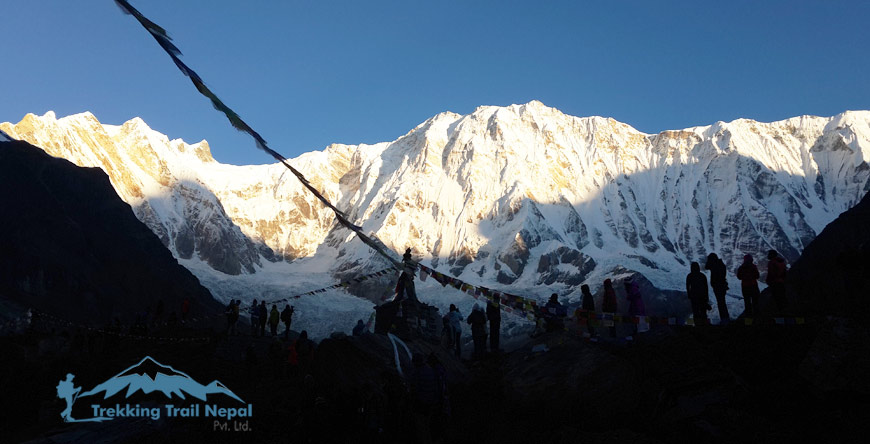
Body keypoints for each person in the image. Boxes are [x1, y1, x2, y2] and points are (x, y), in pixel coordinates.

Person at [705, 253, 730, 323]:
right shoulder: (721, 265)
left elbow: (706, 267)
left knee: (721, 303)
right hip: (722, 286)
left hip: (718, 286)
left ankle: (724, 319)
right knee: (722, 303)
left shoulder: (714, 265)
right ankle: (725, 319)